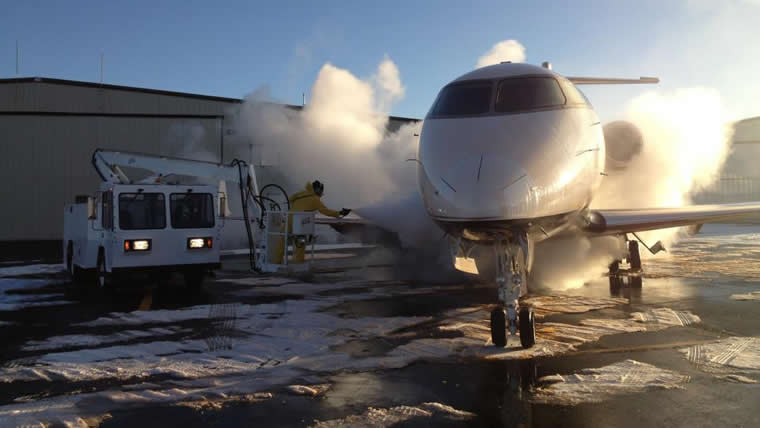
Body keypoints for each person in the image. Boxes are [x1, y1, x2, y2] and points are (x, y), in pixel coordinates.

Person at [274, 180, 350, 264]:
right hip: (300, 220)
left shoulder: (301, 194)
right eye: (321, 190)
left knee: (282, 240)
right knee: (300, 243)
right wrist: (339, 213)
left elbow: (290, 200)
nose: (321, 193)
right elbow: (325, 211)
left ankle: (276, 262)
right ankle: (299, 264)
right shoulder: (314, 199)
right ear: (317, 189)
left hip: (290, 218)